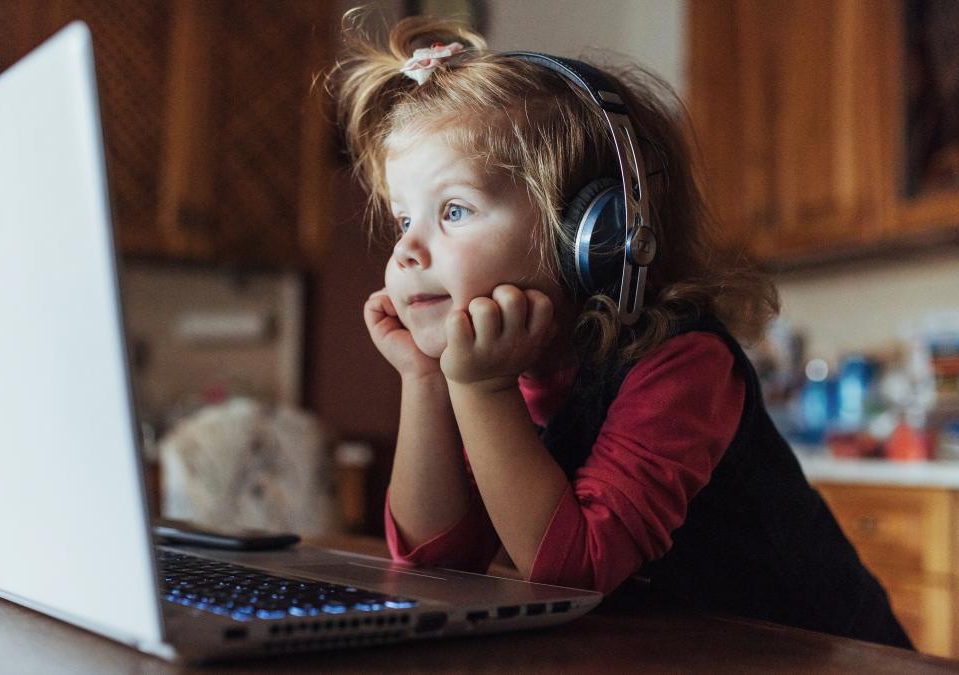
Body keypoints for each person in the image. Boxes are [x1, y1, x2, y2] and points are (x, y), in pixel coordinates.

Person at [328, 11, 912, 649]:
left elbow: (571, 575)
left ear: (595, 233)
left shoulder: (683, 363)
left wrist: (481, 390)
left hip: (817, 655)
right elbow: (435, 563)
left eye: (455, 210)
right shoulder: (507, 364)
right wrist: (427, 380)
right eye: (404, 218)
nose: (406, 251)